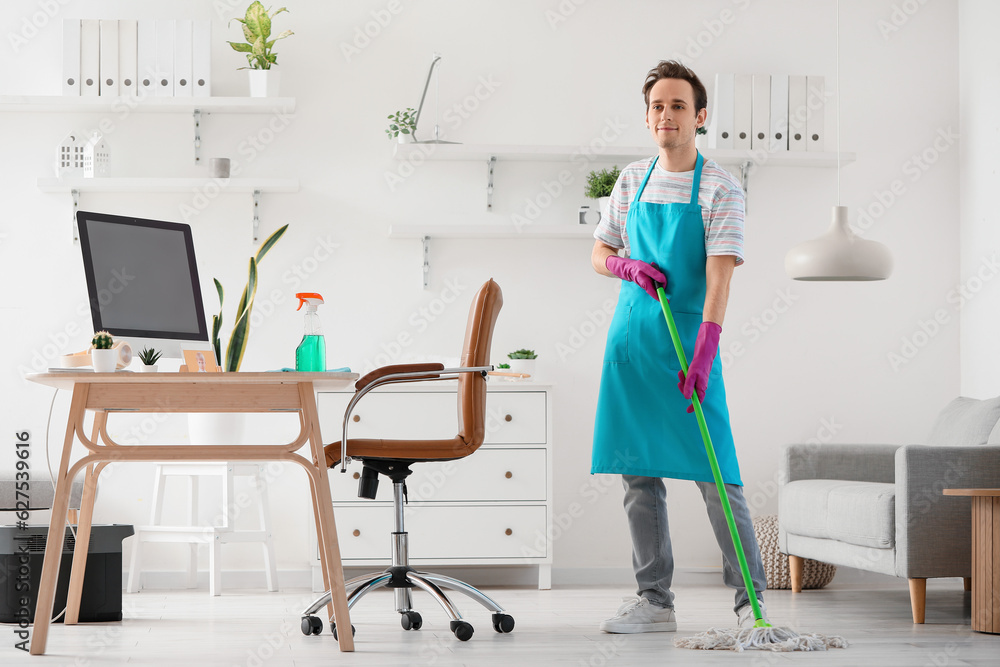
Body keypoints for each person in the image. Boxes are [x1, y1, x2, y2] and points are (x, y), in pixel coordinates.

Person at [590, 60, 766, 634]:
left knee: (718, 477)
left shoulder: (720, 187)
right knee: (638, 476)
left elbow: (719, 281)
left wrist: (704, 357)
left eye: (679, 106)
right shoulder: (630, 179)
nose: (667, 115)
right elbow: (599, 254)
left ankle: (749, 603)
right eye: (658, 106)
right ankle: (653, 600)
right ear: (648, 117)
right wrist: (624, 264)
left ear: (701, 117)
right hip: (633, 344)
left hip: (690, 347)